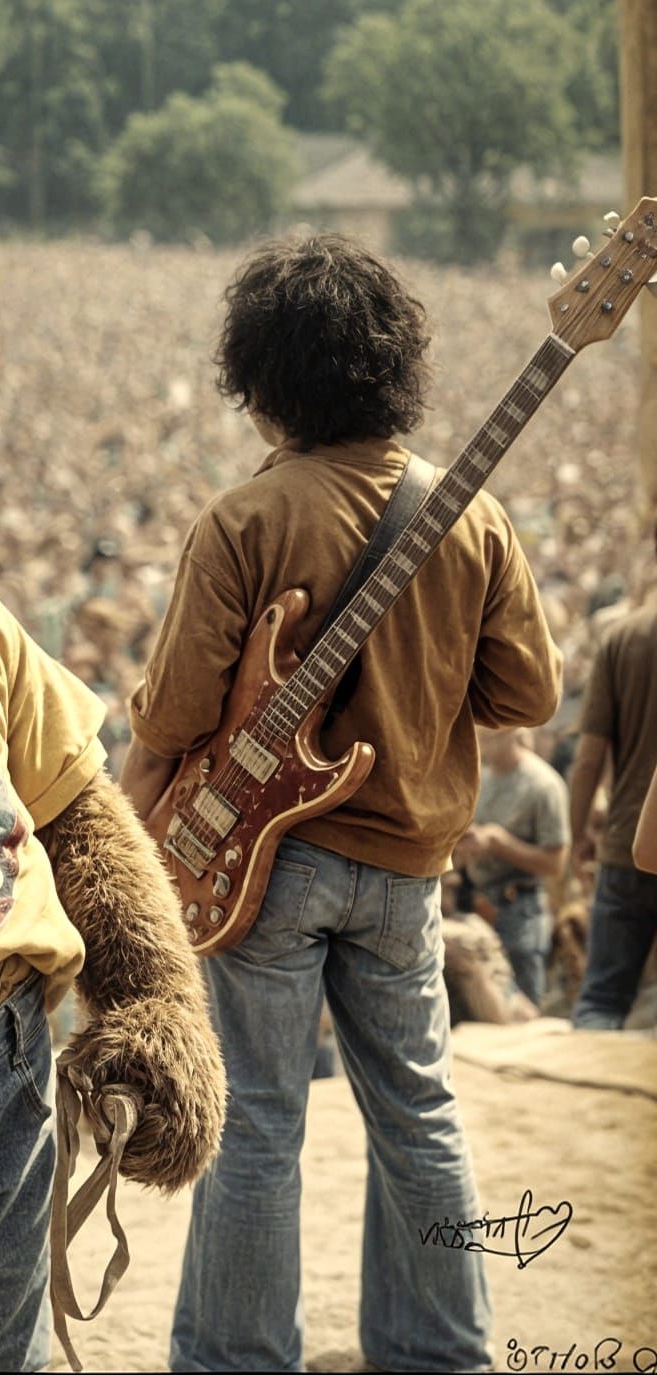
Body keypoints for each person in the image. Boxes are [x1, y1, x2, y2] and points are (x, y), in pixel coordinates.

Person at [120, 234, 562, 1373]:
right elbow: (528, 690)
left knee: (259, 1121)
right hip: (410, 867)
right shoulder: (470, 519)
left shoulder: (244, 521)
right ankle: (439, 1348)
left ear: (260, 379)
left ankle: (236, 1356)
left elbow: (169, 718)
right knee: (416, 1111)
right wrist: (423, 669)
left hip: (265, 870)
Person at [568, 579, 657, 1029]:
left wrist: (578, 834)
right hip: (634, 843)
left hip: (624, 845)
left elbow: (588, 759)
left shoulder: (621, 638)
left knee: (601, 1000)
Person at [454, 725, 570, 1007]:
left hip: (520, 909)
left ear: (512, 732)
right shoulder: (479, 775)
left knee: (525, 1008)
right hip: (477, 906)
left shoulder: (543, 785)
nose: (481, 743)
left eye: (488, 737)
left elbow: (556, 863)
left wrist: (499, 842)